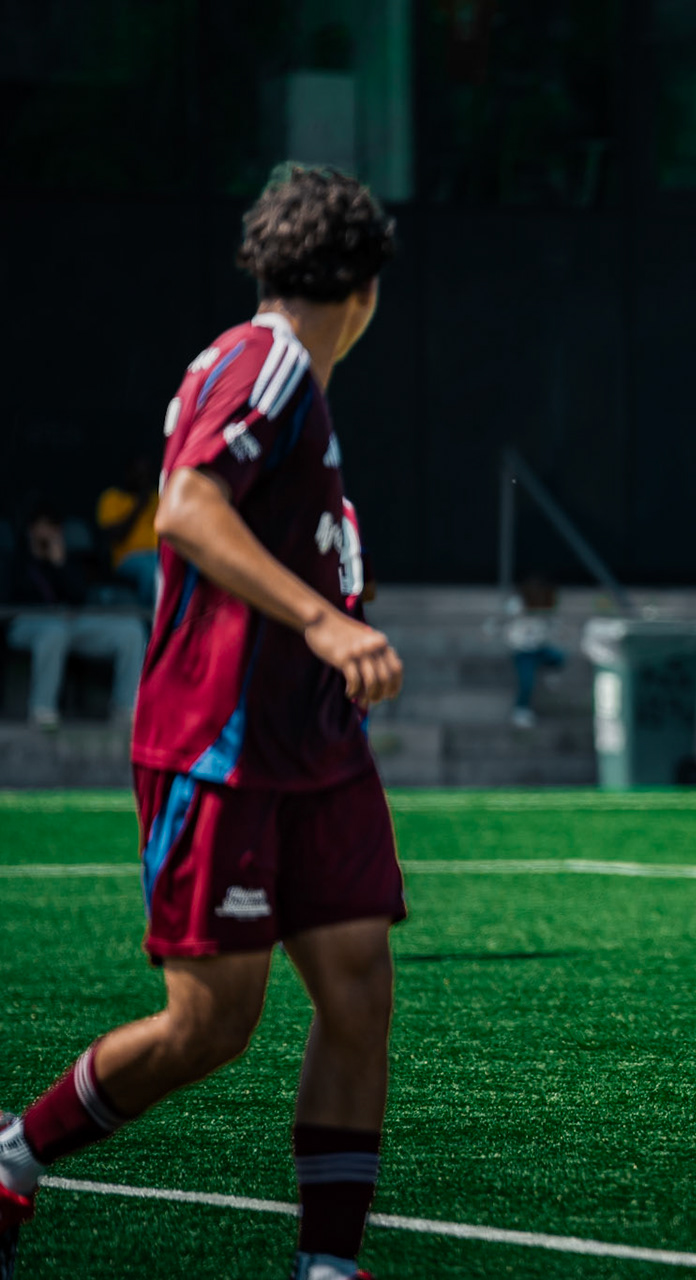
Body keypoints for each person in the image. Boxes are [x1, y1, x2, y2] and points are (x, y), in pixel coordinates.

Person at [0, 165, 404, 1280]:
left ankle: (328, 1265)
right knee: (211, 1023)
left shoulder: (298, 396)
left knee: (359, 985)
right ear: (363, 288)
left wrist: (333, 640)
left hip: (314, 749)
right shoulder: (265, 360)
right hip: (220, 743)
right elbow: (186, 508)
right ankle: (15, 1155)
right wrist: (329, 624)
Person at [5, 509, 149, 728]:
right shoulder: (17, 559)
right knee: (54, 632)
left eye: (53, 527)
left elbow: (79, 597)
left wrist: (60, 564)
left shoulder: (64, 557)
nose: (48, 532)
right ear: (31, 529)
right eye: (43, 526)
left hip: (69, 622)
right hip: (26, 622)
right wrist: (38, 557)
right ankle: (42, 710)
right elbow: (15, 596)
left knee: (130, 630)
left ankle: (124, 708)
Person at [96, 457, 161, 608]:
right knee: (151, 571)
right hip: (127, 559)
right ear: (129, 474)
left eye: (146, 474)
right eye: (139, 474)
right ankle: (148, 619)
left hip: (157, 555)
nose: (142, 479)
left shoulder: (157, 498)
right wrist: (138, 507)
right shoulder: (112, 498)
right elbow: (115, 536)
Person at [504, 575, 563, 729]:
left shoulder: (547, 603)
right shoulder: (518, 604)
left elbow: (554, 625)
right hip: (523, 650)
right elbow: (509, 616)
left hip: (540, 648)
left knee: (559, 656)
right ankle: (521, 710)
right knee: (527, 681)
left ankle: (551, 674)